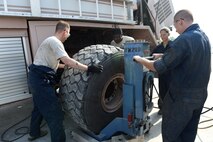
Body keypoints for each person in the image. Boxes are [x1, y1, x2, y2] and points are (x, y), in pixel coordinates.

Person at [133, 9, 211, 142]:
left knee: (171, 134)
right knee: (188, 133)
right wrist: (163, 55)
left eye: (175, 27)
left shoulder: (184, 39)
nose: (176, 31)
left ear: (180, 21)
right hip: (200, 95)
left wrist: (139, 59)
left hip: (182, 99)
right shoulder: (203, 37)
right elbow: (188, 57)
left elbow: (158, 67)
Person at [27, 20, 103, 142]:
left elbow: (57, 65)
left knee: (38, 108)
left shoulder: (50, 41)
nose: (68, 36)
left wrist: (73, 66)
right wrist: (88, 68)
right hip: (41, 80)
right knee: (55, 115)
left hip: (36, 78)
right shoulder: (55, 42)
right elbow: (67, 61)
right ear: (65, 31)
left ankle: (33, 133)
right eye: (68, 33)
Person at [151, 27, 173, 115]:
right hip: (162, 72)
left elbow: (173, 56)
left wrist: (160, 55)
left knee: (170, 91)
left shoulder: (173, 45)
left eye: (164, 34)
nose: (162, 36)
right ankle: (162, 108)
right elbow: (151, 56)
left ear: (168, 34)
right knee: (162, 90)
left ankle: (171, 108)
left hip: (171, 72)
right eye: (161, 35)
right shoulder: (158, 47)